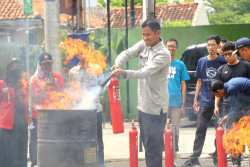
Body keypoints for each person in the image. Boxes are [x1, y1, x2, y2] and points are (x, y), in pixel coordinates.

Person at [111, 19, 171, 167]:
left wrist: (124, 72)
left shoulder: (163, 54)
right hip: (143, 106)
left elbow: (145, 72)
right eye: (143, 34)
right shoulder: (144, 45)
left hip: (156, 109)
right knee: (147, 146)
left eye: (148, 35)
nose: (145, 38)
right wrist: (118, 63)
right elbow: (127, 53)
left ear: (158, 33)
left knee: (154, 149)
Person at [182, 35, 227, 167]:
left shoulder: (222, 61)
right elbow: (200, 80)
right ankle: (194, 157)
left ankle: (217, 156)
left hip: (220, 102)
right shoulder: (202, 61)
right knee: (200, 129)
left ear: (218, 46)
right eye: (208, 45)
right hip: (205, 101)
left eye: (213, 45)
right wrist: (196, 98)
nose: (210, 47)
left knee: (219, 130)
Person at [214, 41, 250, 166]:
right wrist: (216, 105)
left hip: (246, 108)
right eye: (225, 55)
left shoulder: (246, 66)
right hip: (229, 108)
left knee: (248, 136)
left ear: (236, 53)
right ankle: (236, 163)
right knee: (233, 137)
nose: (227, 57)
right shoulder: (221, 69)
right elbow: (217, 90)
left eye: (230, 54)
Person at [69, 54, 105, 167]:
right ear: (78, 56)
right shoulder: (73, 71)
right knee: (81, 139)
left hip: (95, 110)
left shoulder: (96, 68)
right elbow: (72, 90)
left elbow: (102, 86)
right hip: (80, 111)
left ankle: (100, 164)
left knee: (97, 139)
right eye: (81, 53)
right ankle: (82, 163)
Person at [29, 52, 64, 167]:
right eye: (45, 64)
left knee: (54, 138)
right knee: (36, 140)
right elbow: (36, 98)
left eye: (49, 64)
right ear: (40, 65)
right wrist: (46, 87)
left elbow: (63, 95)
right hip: (39, 115)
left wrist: (55, 86)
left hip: (54, 113)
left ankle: (53, 161)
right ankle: (35, 162)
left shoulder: (58, 77)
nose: (47, 66)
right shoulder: (34, 80)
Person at [0, 58, 28, 167]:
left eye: (18, 66)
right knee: (8, 154)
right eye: (13, 66)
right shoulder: (2, 84)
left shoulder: (24, 84)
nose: (16, 68)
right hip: (7, 126)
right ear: (8, 69)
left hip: (21, 124)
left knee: (21, 153)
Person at [165, 38, 190, 154]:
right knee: (162, 130)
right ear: (164, 47)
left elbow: (183, 85)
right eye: (168, 46)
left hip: (176, 102)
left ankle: (173, 154)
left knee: (175, 130)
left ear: (176, 49)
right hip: (161, 103)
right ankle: (164, 154)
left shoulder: (180, 64)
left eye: (173, 46)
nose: (170, 49)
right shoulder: (160, 64)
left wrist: (183, 104)